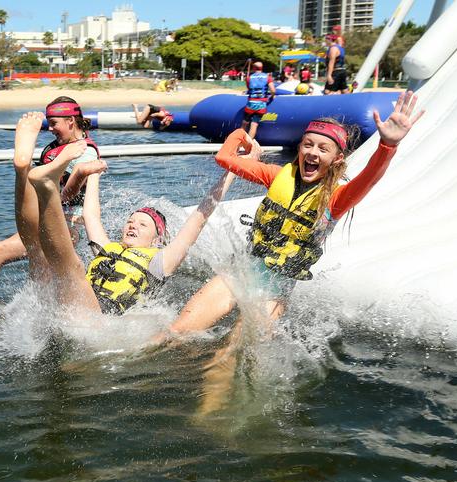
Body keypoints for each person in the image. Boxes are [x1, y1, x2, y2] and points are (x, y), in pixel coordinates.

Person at [161, 91, 424, 411]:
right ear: (299, 149)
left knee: (229, 353)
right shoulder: (276, 176)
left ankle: (205, 419)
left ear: (336, 159)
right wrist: (242, 136)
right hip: (239, 271)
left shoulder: (337, 200)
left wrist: (388, 145)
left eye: (322, 148)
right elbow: (225, 159)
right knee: (176, 332)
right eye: (307, 145)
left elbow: (369, 179)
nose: (312, 152)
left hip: (274, 291)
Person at [17, 111, 235, 315]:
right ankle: (22, 168)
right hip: (70, 305)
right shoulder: (108, 248)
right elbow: (91, 214)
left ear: (158, 238)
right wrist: (94, 174)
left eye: (143, 225)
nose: (132, 225)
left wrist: (232, 170)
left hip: (98, 318)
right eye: (131, 221)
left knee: (71, 268)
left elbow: (198, 219)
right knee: (35, 250)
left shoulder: (161, 261)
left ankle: (45, 186)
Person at [0, 97, 103, 297]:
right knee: (6, 255)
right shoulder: (55, 147)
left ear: (70, 121)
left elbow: (68, 195)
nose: (50, 129)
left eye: (54, 123)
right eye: (49, 123)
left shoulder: (85, 152)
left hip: (65, 224)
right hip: (41, 215)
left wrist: (78, 174)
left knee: (6, 253)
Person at [241, 60, 276, 140]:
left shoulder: (249, 78)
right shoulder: (267, 77)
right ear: (262, 68)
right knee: (254, 124)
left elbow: (248, 88)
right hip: (261, 104)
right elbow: (273, 90)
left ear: (253, 68)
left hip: (251, 103)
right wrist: (273, 96)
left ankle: (239, 141)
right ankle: (248, 144)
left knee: (244, 123)